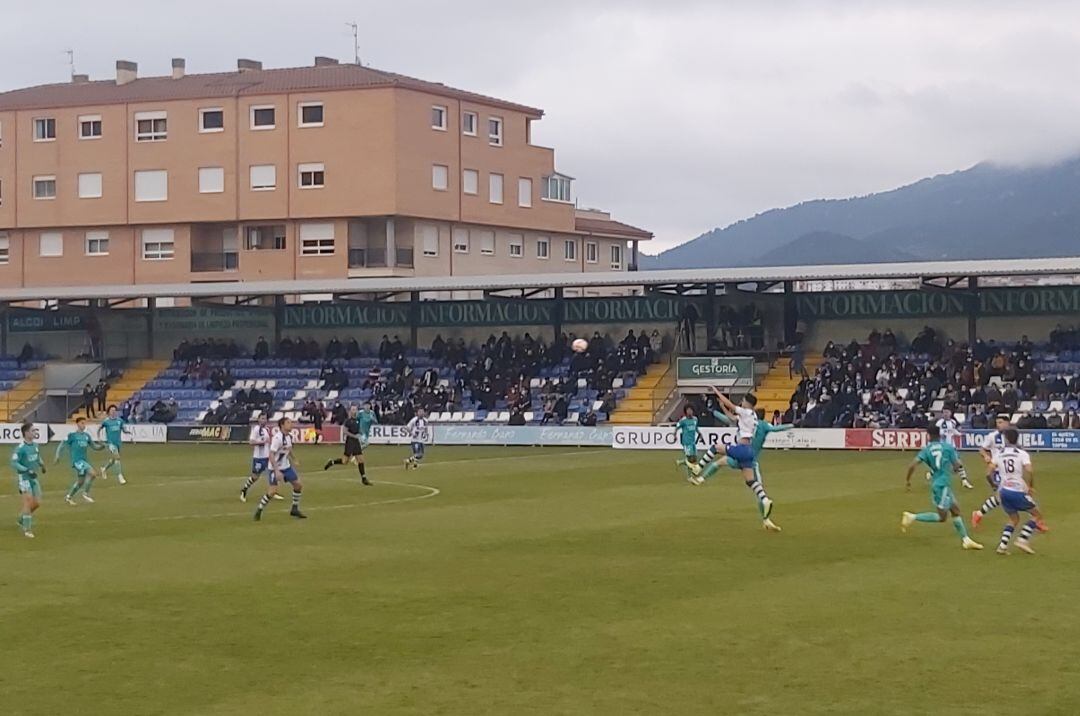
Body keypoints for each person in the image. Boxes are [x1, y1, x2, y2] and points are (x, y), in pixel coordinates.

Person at [901, 424, 983, 550]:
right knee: (942, 517)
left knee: (955, 510)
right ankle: (912, 517)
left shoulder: (926, 449)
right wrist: (954, 468)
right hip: (942, 485)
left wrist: (908, 480)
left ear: (928, 436)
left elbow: (912, 465)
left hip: (940, 484)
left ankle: (966, 540)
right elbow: (957, 465)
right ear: (940, 435)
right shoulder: (948, 447)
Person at [709, 389, 777, 527]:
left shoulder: (749, 418)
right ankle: (765, 519)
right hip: (749, 457)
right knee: (755, 486)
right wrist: (721, 407)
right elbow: (731, 418)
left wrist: (717, 397)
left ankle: (766, 518)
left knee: (720, 457)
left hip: (747, 457)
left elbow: (731, 415)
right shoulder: (755, 422)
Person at [992, 428, 1045, 554]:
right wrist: (1030, 486)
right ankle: (1022, 539)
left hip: (1004, 491)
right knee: (1037, 515)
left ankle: (1002, 546)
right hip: (1016, 490)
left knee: (1014, 519)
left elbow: (989, 472)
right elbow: (1030, 471)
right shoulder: (1022, 453)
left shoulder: (999, 453)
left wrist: (995, 486)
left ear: (1006, 439)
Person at [254, 417, 306, 521]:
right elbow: (271, 454)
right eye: (288, 423)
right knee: (272, 491)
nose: (291, 424)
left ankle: (294, 509)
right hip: (275, 468)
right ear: (282, 425)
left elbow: (289, 449)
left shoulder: (289, 437)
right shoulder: (277, 438)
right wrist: (276, 470)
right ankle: (259, 509)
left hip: (286, 466)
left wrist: (294, 459)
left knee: (298, 485)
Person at [56, 417, 103, 505]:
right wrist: (57, 455)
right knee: (93, 473)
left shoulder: (86, 436)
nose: (83, 425)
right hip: (77, 461)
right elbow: (62, 444)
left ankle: (68, 497)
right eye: (82, 423)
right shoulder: (72, 435)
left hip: (84, 460)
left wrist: (101, 447)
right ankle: (85, 494)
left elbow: (94, 446)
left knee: (80, 482)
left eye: (84, 423)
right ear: (77, 424)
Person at [323, 405, 373, 486]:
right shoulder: (348, 421)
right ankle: (331, 462)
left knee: (361, 460)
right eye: (353, 410)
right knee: (344, 461)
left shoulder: (358, 420)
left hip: (356, 442)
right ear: (350, 411)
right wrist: (354, 436)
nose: (354, 411)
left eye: (355, 409)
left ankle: (364, 478)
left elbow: (359, 430)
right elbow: (345, 432)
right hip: (350, 442)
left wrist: (361, 434)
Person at [11, 422, 44, 538]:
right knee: (28, 501)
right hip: (24, 478)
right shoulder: (20, 448)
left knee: (37, 503)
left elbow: (37, 456)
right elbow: (14, 463)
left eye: (35, 430)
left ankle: (22, 519)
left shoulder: (35, 445)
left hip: (34, 478)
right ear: (26, 433)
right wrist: (26, 470)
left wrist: (42, 464)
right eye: (33, 430)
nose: (35, 432)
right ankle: (27, 529)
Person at [240, 413, 282, 503]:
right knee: (255, 477)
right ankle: (244, 490)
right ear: (258, 419)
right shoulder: (256, 429)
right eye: (262, 418)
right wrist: (261, 442)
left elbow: (268, 442)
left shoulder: (266, 429)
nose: (264, 420)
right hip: (259, 458)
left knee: (273, 472)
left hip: (267, 457)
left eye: (265, 418)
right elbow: (251, 442)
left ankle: (272, 492)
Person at [98, 405, 133, 484]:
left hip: (118, 443)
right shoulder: (106, 421)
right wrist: (99, 438)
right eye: (112, 410)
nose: (113, 411)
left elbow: (123, 429)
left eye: (114, 410)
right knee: (117, 457)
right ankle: (120, 476)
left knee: (114, 460)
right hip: (111, 443)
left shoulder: (119, 420)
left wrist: (127, 432)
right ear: (109, 412)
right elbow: (99, 429)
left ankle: (104, 468)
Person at [674, 405, 702, 483]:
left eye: (691, 410)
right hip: (686, 442)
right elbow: (677, 427)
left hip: (692, 442)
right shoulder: (683, 420)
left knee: (694, 458)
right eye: (688, 410)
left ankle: (680, 462)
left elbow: (696, 428)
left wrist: (700, 434)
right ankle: (690, 477)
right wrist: (674, 435)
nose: (690, 411)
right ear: (685, 411)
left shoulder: (695, 419)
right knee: (690, 459)